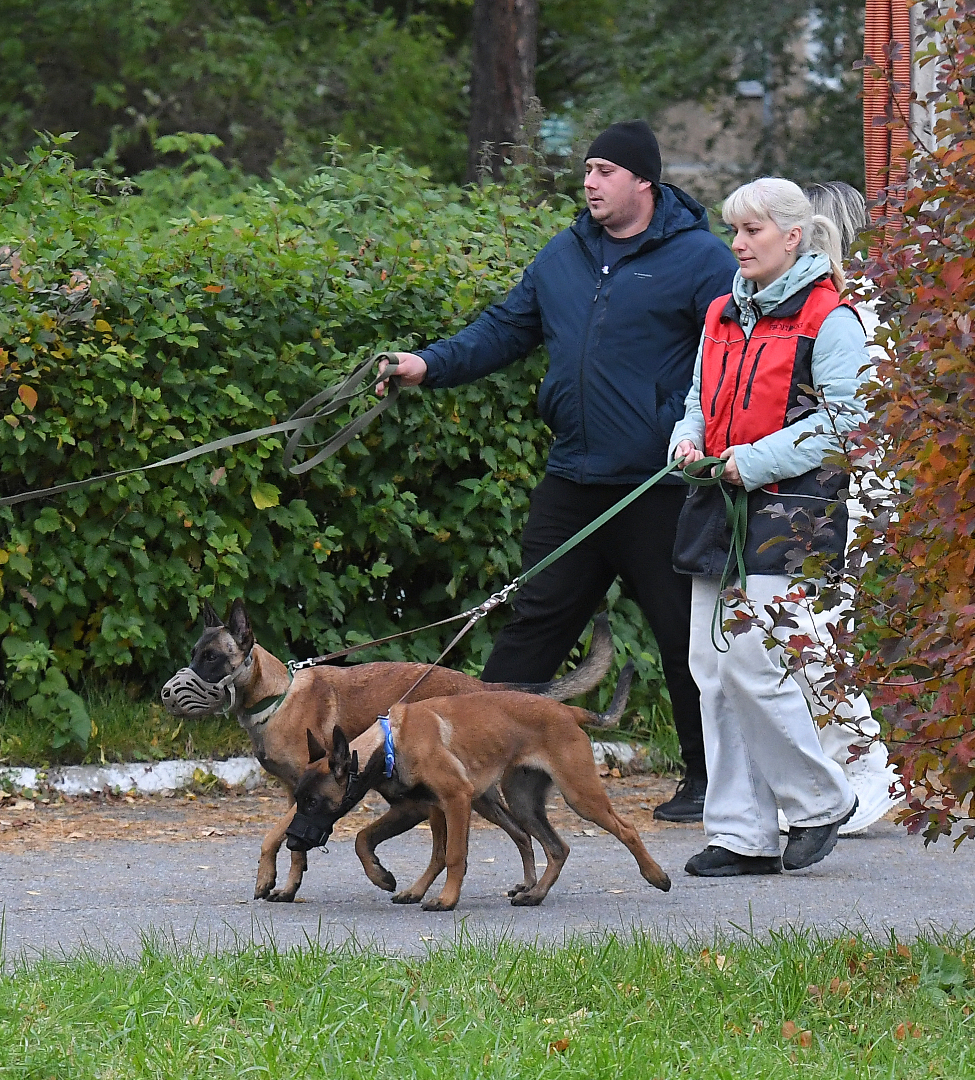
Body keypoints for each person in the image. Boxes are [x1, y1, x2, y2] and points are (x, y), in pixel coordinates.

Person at [377, 120, 738, 823]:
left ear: (644, 182)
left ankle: (706, 780)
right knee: (530, 630)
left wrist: (696, 437)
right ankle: (473, 770)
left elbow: (729, 359)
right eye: (587, 170)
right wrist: (429, 364)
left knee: (684, 638)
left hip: (657, 487)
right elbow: (504, 329)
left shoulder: (700, 259)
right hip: (574, 482)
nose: (589, 182)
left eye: (604, 170)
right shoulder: (565, 255)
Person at [670, 177, 866, 876]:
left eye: (753, 230)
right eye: (735, 229)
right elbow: (697, 398)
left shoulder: (831, 318)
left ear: (793, 237)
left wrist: (752, 461)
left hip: (794, 511)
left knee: (753, 662)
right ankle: (741, 835)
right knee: (711, 671)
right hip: (716, 502)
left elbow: (848, 422)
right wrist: (686, 444)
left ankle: (821, 800)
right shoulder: (722, 312)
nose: (739, 242)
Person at [796, 179, 903, 836]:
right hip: (812, 490)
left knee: (811, 634)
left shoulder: (854, 313)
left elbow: (866, 421)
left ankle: (868, 762)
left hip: (846, 494)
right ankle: (833, 768)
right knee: (791, 635)